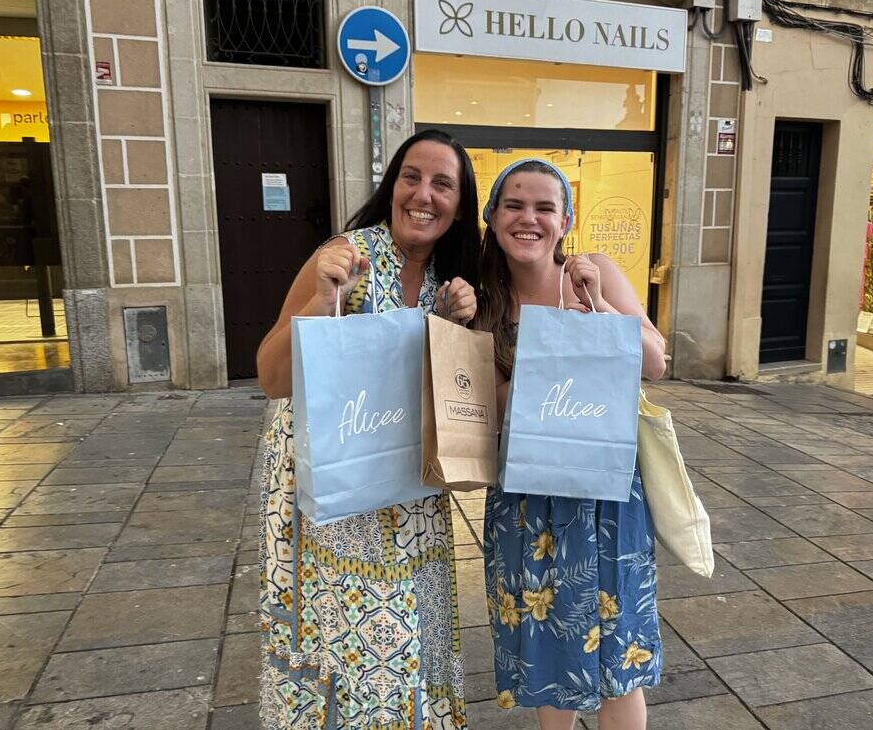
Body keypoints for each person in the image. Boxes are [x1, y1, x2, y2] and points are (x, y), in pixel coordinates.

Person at [256, 129, 480, 730]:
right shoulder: (347, 255)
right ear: (392, 186)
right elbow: (272, 376)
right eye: (412, 177)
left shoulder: (450, 282)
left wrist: (456, 328)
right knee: (339, 647)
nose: (423, 195)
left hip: (409, 500)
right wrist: (323, 298)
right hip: (332, 499)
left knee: (409, 643)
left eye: (443, 184)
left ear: (460, 204)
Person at [476, 159, 667, 730]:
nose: (527, 218)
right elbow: (483, 404)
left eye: (544, 207)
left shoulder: (596, 272)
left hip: (604, 491)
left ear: (565, 220)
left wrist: (597, 309)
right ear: (492, 216)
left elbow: (655, 362)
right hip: (526, 498)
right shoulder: (483, 300)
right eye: (513, 205)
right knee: (543, 645)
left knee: (616, 649)